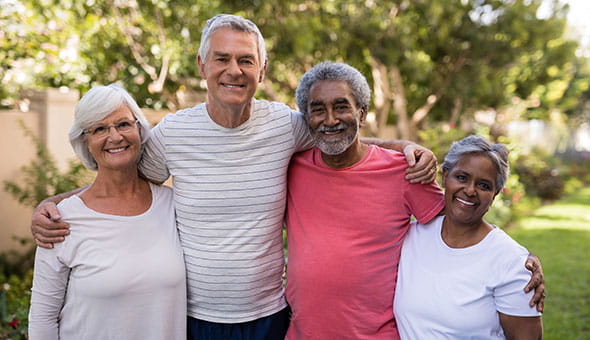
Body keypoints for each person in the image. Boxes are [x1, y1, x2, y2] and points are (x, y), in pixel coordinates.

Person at [29, 14, 438, 340]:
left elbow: (339, 134)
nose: (234, 70)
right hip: (193, 318)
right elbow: (119, 178)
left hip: (270, 315)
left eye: (245, 60)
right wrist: (58, 203)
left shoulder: (284, 125)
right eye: (222, 59)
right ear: (202, 65)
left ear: (262, 68)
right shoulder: (173, 133)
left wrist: (404, 147)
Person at [284, 62, 544, 339]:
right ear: (306, 117)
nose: (331, 119)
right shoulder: (291, 167)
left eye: (341, 106)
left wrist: (515, 259)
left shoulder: (401, 171)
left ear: (361, 113)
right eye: (318, 109)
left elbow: (463, 213)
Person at [27, 84, 187, 340]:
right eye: (100, 129)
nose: (114, 137)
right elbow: (43, 318)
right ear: (85, 141)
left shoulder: (172, 206)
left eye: (123, 124)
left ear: (139, 129)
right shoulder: (61, 219)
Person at [393, 135, 543, 339]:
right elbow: (349, 145)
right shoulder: (412, 236)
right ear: (445, 176)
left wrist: (519, 259)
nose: (470, 191)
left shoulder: (512, 262)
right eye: (462, 178)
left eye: (484, 185)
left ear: (495, 194)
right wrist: (405, 145)